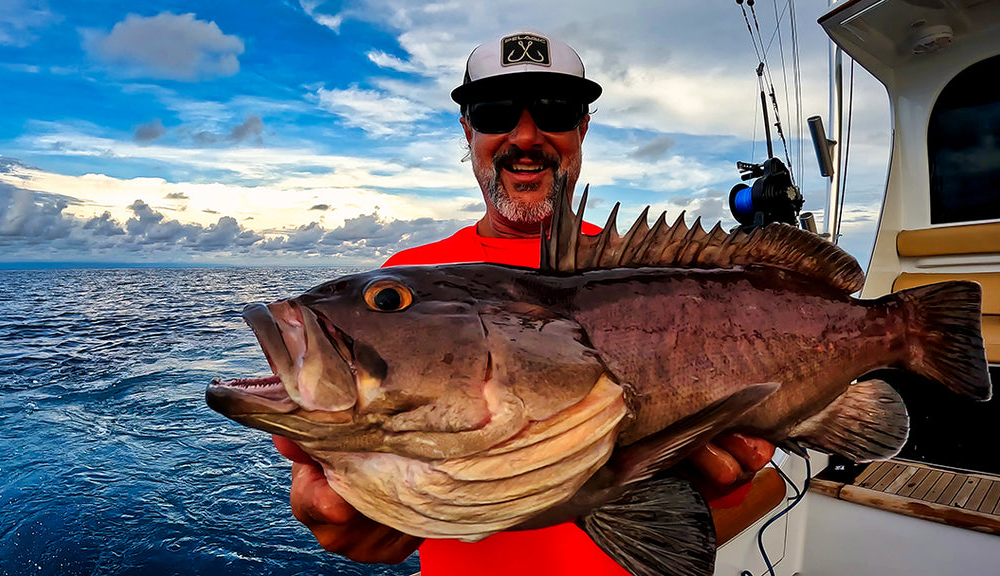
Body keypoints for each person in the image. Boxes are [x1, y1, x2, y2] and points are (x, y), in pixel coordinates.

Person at [272, 31, 775, 575]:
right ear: (468, 132)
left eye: (557, 111)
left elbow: (744, 497)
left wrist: (722, 482)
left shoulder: (666, 279)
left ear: (583, 128)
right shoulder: (405, 280)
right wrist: (347, 514)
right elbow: (363, 520)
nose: (527, 136)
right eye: (495, 113)